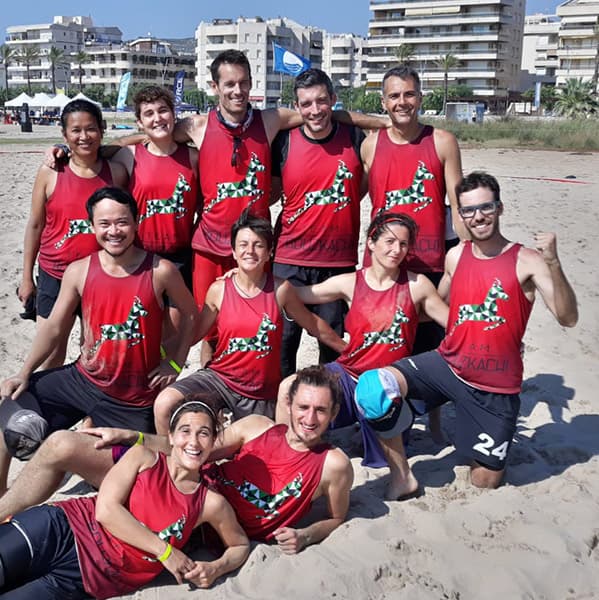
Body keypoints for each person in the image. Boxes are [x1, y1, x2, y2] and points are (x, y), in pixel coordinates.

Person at [354, 171, 578, 495]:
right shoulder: (456, 256)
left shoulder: (527, 260)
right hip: (448, 365)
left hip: (494, 385)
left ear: (499, 208)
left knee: (484, 482)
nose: (478, 216)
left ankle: (475, 434)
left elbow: (567, 317)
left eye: (485, 207)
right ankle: (403, 475)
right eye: (469, 210)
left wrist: (554, 264)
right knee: (373, 388)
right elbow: (433, 303)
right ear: (460, 215)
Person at [0, 366, 353, 555]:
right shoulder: (257, 427)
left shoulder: (333, 464)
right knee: (62, 444)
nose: (309, 418)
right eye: (303, 407)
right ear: (288, 405)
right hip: (174, 474)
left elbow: (337, 517)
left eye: (321, 410)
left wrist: (307, 535)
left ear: (334, 413)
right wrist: (130, 437)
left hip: (197, 518)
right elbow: (192, 449)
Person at [0, 187, 198, 496]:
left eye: (122, 222)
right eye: (104, 224)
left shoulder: (161, 271)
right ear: (92, 226)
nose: (114, 231)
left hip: (132, 399)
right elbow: (53, 328)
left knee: (133, 483)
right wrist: (24, 373)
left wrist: (174, 361)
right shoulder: (78, 271)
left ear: (136, 222)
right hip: (82, 379)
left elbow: (190, 314)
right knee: (10, 408)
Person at [0, 398, 249, 598]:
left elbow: (240, 546)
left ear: (214, 441)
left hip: (88, 579)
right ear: (171, 437)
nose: (193, 442)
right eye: (185, 431)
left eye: (204, 433)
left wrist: (216, 568)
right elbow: (106, 510)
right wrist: (165, 552)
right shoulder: (143, 457)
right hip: (62, 529)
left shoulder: (210, 503)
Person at [275, 212, 448, 490]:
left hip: (387, 387)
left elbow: (455, 324)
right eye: (389, 241)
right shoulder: (351, 283)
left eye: (403, 244)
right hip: (348, 375)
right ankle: (284, 461)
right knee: (288, 388)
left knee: (381, 459)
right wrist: (257, 279)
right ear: (371, 242)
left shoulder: (417, 286)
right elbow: (303, 294)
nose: (396, 250)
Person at [152, 210, 346, 433]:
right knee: (164, 402)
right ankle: (167, 465)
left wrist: (348, 350)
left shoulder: (281, 290)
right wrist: (167, 359)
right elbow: (194, 335)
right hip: (220, 380)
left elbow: (314, 325)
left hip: (261, 394)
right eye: (243, 244)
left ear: (269, 252)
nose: (250, 251)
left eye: (258, 245)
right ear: (233, 251)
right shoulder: (219, 290)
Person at [360, 65, 465, 440]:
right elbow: (352, 195)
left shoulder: (443, 141)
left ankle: (434, 423)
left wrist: (469, 256)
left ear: (420, 97)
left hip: (431, 262)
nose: (402, 102)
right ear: (384, 101)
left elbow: (458, 203)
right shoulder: (370, 144)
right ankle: (382, 419)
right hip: (384, 267)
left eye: (409, 94)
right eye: (394, 95)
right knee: (384, 345)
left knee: (429, 346)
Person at [18, 99, 128, 368]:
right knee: (52, 350)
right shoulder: (51, 171)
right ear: (64, 135)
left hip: (99, 275)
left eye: (90, 129)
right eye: (76, 130)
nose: (83, 136)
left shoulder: (117, 172)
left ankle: (88, 407)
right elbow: (35, 225)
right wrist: (26, 278)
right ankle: (50, 407)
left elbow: (135, 142)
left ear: (102, 130)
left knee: (94, 349)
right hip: (54, 273)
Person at [271, 68, 366, 376]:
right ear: (297, 108)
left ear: (333, 101)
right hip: (288, 261)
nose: (315, 110)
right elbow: (270, 191)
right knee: (284, 345)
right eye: (307, 103)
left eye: (321, 101)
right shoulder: (284, 142)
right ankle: (282, 413)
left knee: (332, 345)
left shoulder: (354, 137)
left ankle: (332, 414)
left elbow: (363, 185)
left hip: (337, 263)